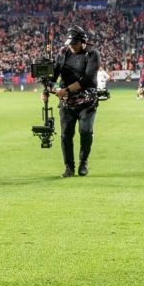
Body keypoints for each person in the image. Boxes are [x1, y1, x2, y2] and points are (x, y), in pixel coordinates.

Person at [42, 26, 102, 178]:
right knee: (66, 135)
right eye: (70, 43)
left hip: (87, 101)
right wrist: (46, 88)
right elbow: (54, 75)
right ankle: (69, 167)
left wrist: (66, 90)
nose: (72, 46)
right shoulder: (63, 53)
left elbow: (88, 78)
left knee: (85, 131)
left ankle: (83, 162)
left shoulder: (92, 54)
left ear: (83, 41)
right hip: (67, 102)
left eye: (74, 43)